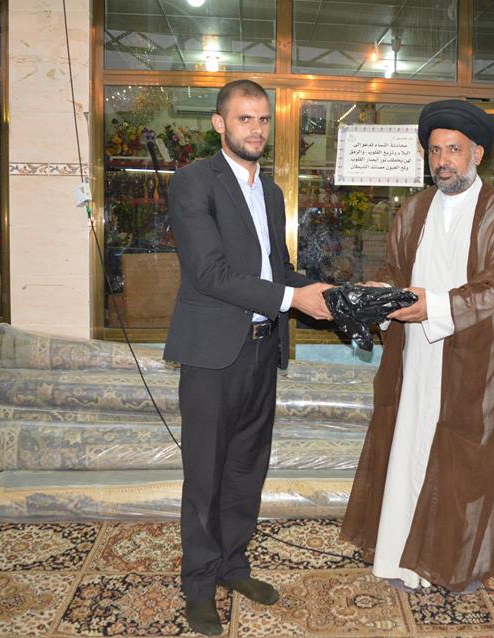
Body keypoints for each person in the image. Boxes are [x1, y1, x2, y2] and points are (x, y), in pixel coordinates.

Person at [164, 79, 332, 636]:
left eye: (263, 120)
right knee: (205, 476)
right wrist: (292, 299)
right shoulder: (194, 182)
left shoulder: (273, 193)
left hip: (262, 351)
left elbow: (277, 272)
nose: (256, 129)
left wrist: (334, 294)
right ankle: (198, 585)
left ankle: (233, 566)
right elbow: (209, 274)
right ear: (219, 123)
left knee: (245, 471)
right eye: (244, 119)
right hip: (213, 356)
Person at [340, 99, 494, 593]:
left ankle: (455, 566)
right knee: (408, 453)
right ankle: (402, 560)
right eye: (435, 151)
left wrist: (435, 305)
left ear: (477, 154)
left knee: (465, 465)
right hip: (416, 358)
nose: (443, 161)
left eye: (453, 150)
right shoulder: (414, 209)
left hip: (475, 360)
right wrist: (381, 293)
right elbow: (395, 271)